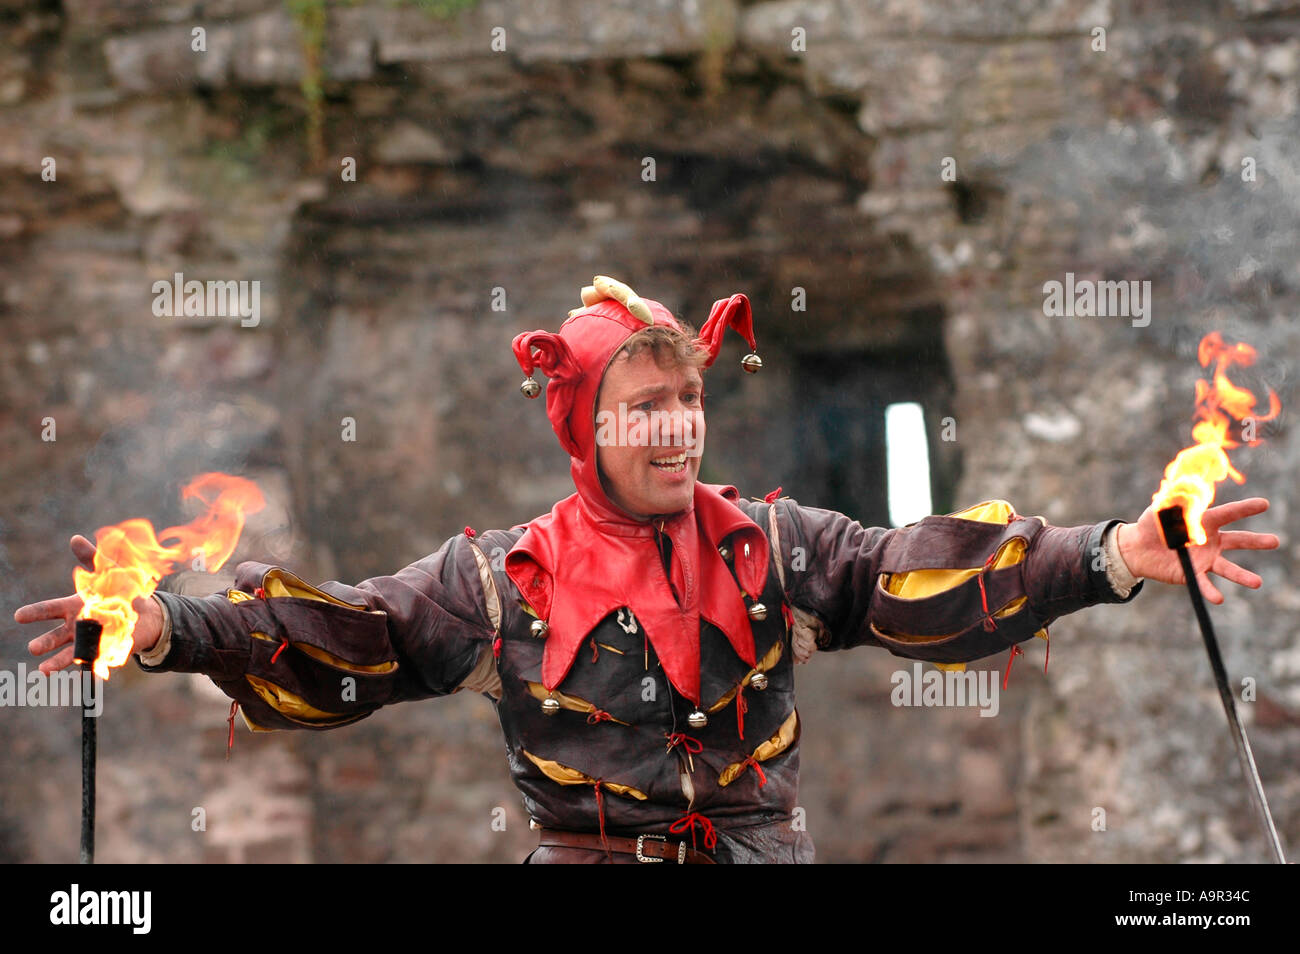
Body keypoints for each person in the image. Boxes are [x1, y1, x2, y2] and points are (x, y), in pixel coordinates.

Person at [15, 276, 1279, 863]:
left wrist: (1117, 552)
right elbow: (357, 641)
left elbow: (915, 576)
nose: (679, 427)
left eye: (690, 399)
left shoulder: (772, 544)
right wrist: (165, 628)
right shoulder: (502, 576)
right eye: (645, 407)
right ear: (585, 428)